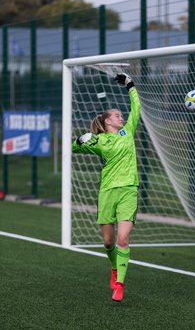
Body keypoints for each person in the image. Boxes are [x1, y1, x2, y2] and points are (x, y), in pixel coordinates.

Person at [72, 73, 140, 302]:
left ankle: (119, 285)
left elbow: (136, 106)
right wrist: (80, 140)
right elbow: (76, 148)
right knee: (108, 242)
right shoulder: (99, 141)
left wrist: (130, 84)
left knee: (122, 240)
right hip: (107, 192)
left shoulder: (127, 131)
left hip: (129, 189)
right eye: (116, 115)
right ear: (107, 121)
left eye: (121, 115)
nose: (121, 116)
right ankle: (113, 269)